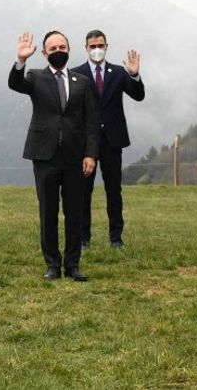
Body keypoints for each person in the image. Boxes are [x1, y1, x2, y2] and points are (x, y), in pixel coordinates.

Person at [9, 30, 98, 281]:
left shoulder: (83, 81)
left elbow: (92, 121)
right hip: (45, 155)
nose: (58, 51)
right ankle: (52, 265)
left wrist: (91, 154)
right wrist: (20, 60)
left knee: (75, 212)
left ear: (69, 50)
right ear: (45, 52)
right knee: (48, 212)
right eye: (53, 48)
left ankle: (73, 265)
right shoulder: (35, 77)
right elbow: (15, 84)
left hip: (75, 156)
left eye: (62, 47)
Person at [71, 30, 144, 251]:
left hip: (113, 140)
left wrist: (134, 75)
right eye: (92, 46)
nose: (96, 49)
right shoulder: (76, 74)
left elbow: (138, 95)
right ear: (86, 48)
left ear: (106, 46)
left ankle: (116, 238)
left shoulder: (119, 72)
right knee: (83, 191)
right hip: (86, 143)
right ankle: (83, 238)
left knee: (114, 190)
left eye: (100, 45)